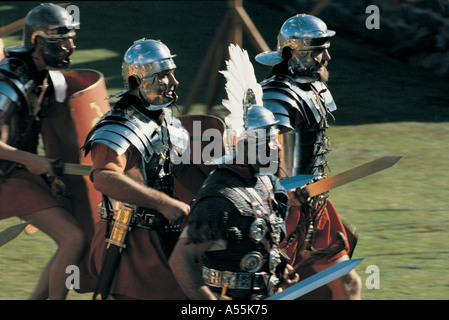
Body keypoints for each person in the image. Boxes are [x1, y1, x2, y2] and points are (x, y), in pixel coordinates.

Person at [169, 44, 299, 300]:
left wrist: (278, 263)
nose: (276, 148)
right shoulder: (219, 200)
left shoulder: (264, 182)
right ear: (248, 146)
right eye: (269, 141)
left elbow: (257, 240)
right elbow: (181, 260)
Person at [255, 14, 362, 299]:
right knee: (272, 290)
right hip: (278, 211)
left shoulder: (312, 90)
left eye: (326, 48)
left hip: (314, 203)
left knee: (348, 284)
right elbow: (266, 151)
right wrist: (285, 191)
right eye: (318, 50)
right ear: (294, 53)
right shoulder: (276, 96)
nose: (327, 56)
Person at [82, 39, 190, 300]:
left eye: (172, 73)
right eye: (164, 75)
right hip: (127, 240)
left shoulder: (167, 122)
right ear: (138, 80)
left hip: (162, 236)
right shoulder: (117, 126)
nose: (174, 82)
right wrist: (164, 203)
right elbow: (105, 179)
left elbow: (183, 171)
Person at [0, 4, 86, 300]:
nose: (70, 45)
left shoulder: (45, 78)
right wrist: (32, 161)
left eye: (70, 37)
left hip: (15, 172)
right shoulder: (8, 82)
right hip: (7, 175)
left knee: (74, 238)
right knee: (73, 237)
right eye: (61, 39)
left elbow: (62, 132)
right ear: (37, 42)